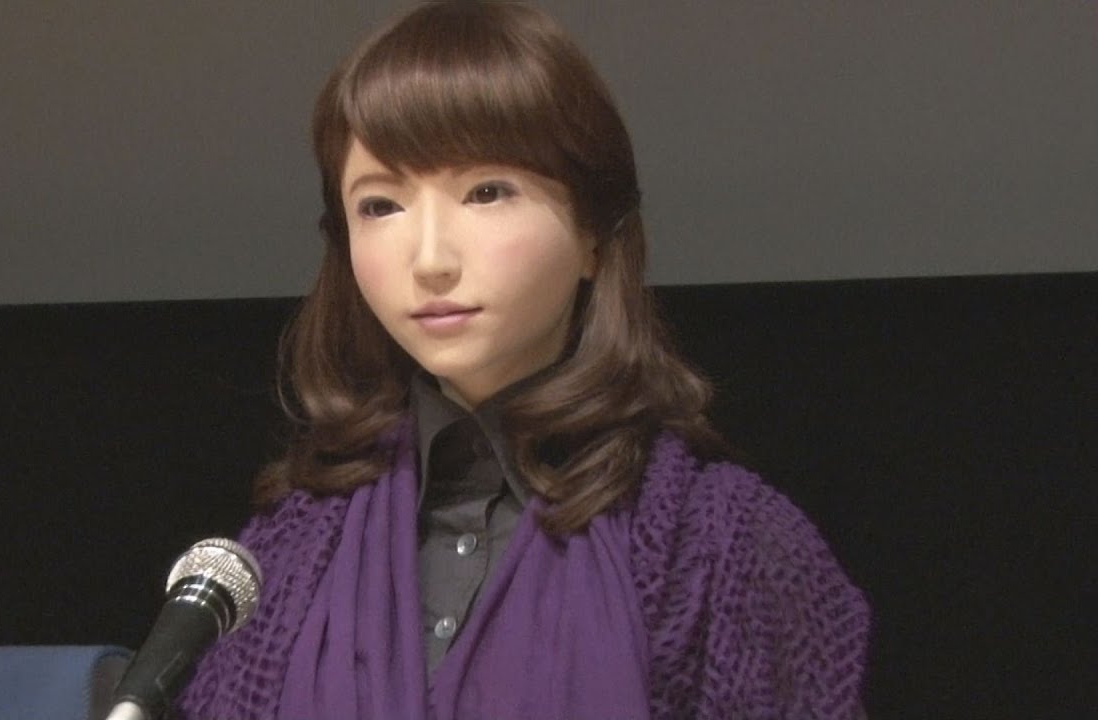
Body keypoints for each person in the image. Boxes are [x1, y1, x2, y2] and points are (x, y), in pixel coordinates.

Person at [179, 2, 870, 718]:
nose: (431, 259)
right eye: (381, 206)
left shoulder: (728, 544)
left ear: (594, 232)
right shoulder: (284, 549)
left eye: (487, 192)